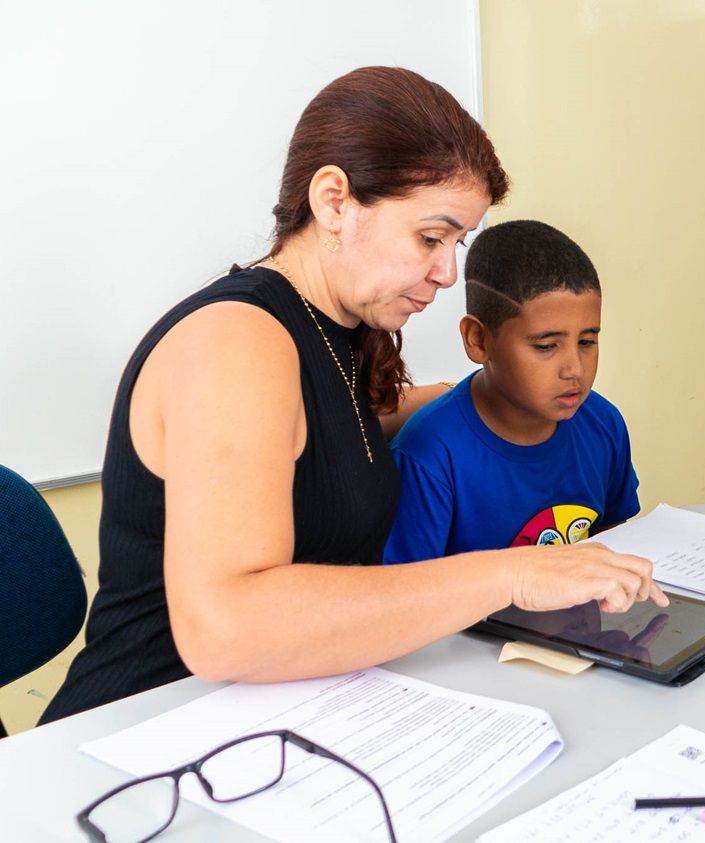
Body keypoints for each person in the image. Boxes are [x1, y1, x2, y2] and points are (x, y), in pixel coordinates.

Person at [42, 67, 665, 725]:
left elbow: (325, 440)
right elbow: (225, 627)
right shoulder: (236, 341)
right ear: (334, 201)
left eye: (458, 243)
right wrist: (513, 575)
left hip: (277, 710)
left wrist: (458, 399)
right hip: (141, 728)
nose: (447, 272)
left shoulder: (338, 332)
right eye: (431, 236)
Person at [382, 219, 641, 564]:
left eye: (587, 341)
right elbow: (403, 597)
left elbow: (612, 542)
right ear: (478, 340)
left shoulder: (603, 424)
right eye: (546, 346)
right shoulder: (428, 456)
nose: (575, 369)